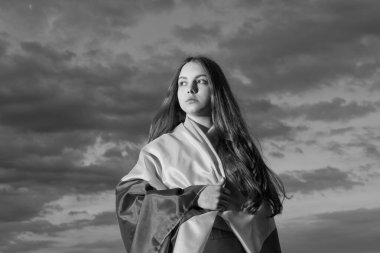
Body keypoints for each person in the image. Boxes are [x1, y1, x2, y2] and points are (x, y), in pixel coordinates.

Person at [116, 56, 286, 253]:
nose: (191, 89)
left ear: (217, 90)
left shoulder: (241, 151)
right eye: (183, 83)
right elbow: (131, 202)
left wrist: (239, 205)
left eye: (201, 81)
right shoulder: (159, 150)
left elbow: (263, 222)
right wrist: (193, 197)